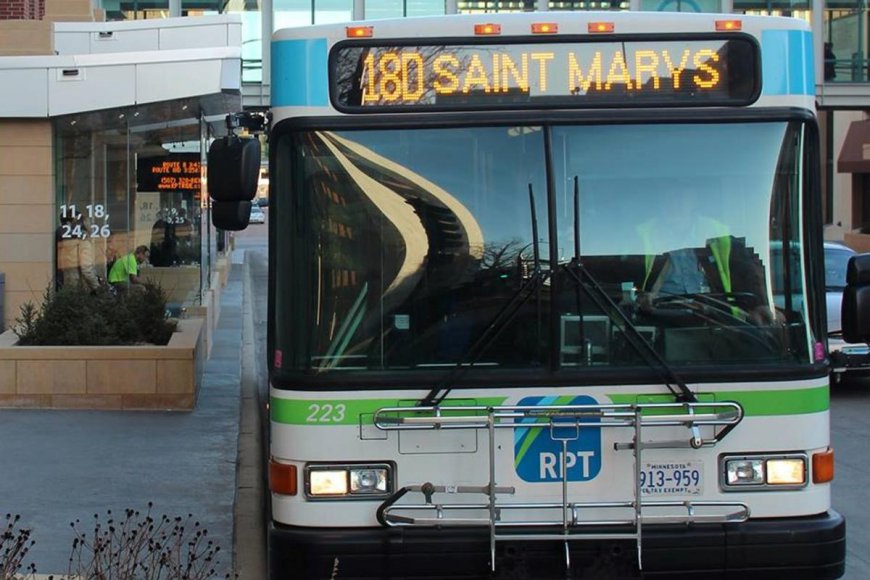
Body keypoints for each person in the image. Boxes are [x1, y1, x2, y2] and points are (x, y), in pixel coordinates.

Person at [635, 186, 770, 323]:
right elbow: (624, 280)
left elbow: (747, 271)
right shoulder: (641, 235)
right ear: (659, 201)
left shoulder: (717, 232)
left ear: (694, 200)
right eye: (668, 195)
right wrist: (642, 297)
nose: (674, 203)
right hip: (657, 317)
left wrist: (760, 304)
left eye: (681, 195)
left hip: (713, 318)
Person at [56, 216, 101, 291]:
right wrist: (98, 288)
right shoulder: (84, 243)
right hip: (81, 287)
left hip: (69, 283)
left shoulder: (69, 243)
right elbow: (87, 270)